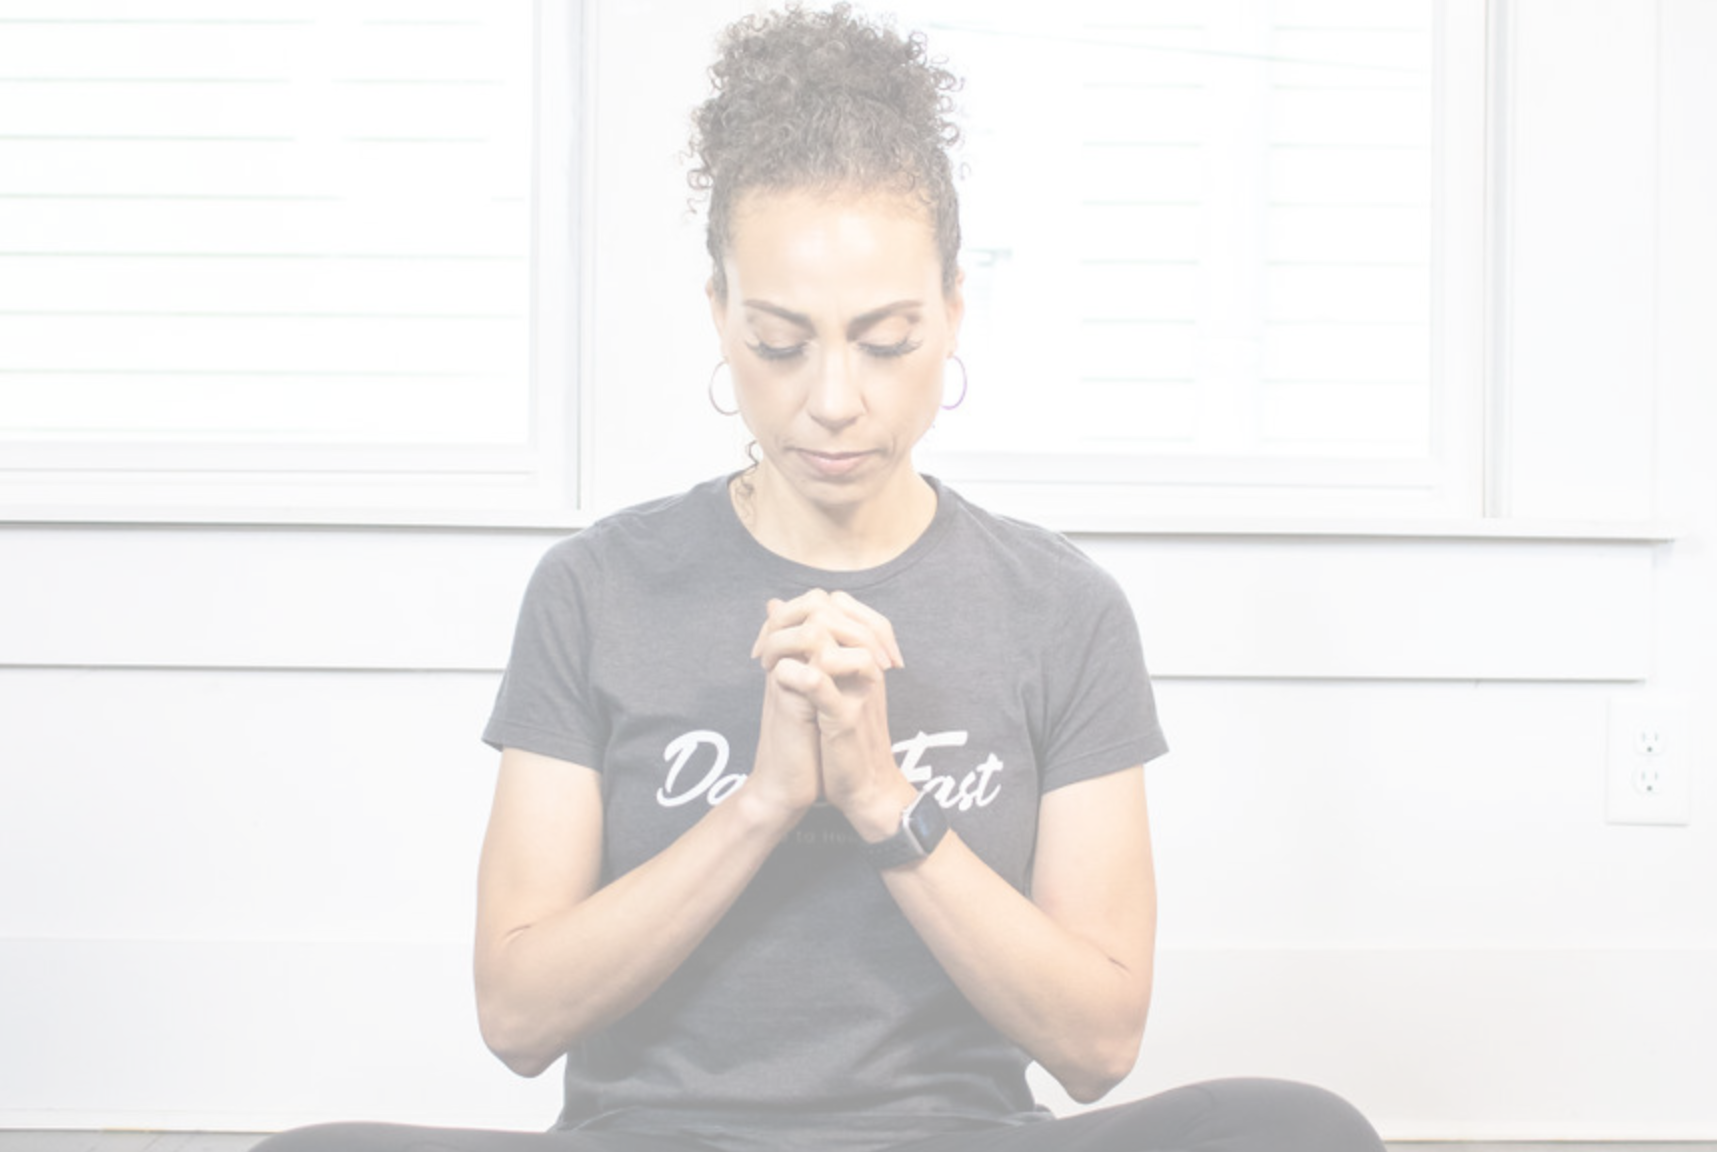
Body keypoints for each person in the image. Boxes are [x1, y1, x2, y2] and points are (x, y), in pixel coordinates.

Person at [255, 5, 1385, 1151]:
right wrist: (763, 802)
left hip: (961, 1138)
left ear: (951, 311)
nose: (834, 398)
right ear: (718, 316)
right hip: (653, 1140)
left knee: (1298, 1130)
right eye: (780, 341)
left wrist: (880, 799)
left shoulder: (1060, 609)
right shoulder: (596, 590)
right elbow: (517, 1016)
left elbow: (1095, 1048)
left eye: (886, 340)